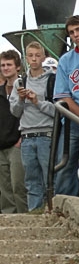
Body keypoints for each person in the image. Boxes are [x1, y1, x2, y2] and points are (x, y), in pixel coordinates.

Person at [8, 41, 55, 211]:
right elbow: (15, 112)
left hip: (46, 134)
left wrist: (37, 101)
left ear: (43, 57)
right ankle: (35, 213)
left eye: (37, 55)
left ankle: (52, 211)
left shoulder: (51, 80)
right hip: (27, 136)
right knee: (31, 181)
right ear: (26, 58)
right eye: (30, 55)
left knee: (49, 179)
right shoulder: (20, 82)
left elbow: (57, 111)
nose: (34, 59)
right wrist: (21, 99)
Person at [53, 15, 79, 197]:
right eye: (71, 32)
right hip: (72, 122)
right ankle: (64, 205)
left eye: (78, 30)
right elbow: (63, 97)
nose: (75, 35)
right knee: (65, 164)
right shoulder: (66, 60)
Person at [0, 49, 27, 213]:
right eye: (2, 65)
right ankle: (7, 221)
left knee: (19, 185)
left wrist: (21, 138)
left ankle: (26, 218)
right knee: (4, 189)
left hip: (17, 143)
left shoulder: (23, 87)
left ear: (17, 67)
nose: (5, 68)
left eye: (9, 64)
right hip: (1, 145)